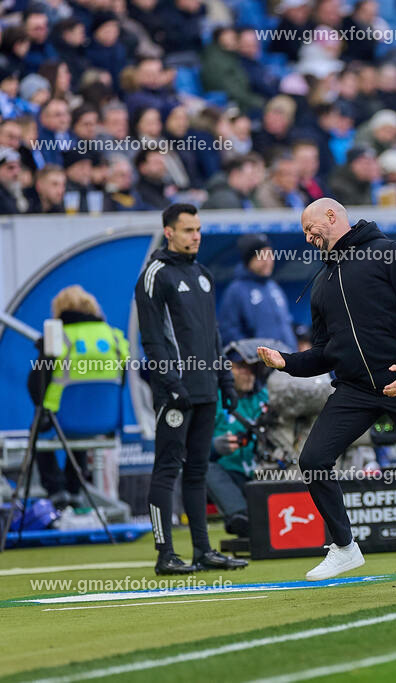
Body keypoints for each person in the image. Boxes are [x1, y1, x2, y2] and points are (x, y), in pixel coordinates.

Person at [256, 198, 396, 589]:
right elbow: (325, 353)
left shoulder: (390, 253)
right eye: (304, 234)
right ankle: (344, 547)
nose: (309, 239)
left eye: (312, 229)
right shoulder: (322, 283)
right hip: (356, 390)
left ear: (333, 216)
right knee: (312, 460)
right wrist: (286, 362)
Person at [134, 203, 248, 575]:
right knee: (167, 468)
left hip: (206, 389)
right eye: (188, 230)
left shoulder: (203, 274)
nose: (195, 236)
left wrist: (225, 379)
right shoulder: (155, 274)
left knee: (198, 470)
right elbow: (152, 341)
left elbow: (213, 334)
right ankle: (164, 553)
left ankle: (203, 550)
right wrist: (170, 383)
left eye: (198, 229)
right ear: (169, 232)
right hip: (175, 392)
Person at [27, 285, 129, 508]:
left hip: (62, 420)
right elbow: (122, 381)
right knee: (81, 426)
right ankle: (74, 487)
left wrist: (43, 351)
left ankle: (55, 489)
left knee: (40, 427)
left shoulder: (59, 338)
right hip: (105, 422)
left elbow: (35, 384)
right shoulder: (114, 337)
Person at [207, 341, 271, 537]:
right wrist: (215, 447)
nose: (248, 373)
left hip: (264, 473)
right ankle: (240, 515)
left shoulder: (265, 396)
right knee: (202, 465)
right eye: (241, 367)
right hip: (231, 476)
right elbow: (192, 448)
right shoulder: (212, 399)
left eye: (253, 368)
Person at [219, 233, 297, 350]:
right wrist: (249, 358)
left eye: (270, 255)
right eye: (261, 256)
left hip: (288, 360)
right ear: (248, 260)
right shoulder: (235, 290)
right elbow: (229, 332)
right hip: (262, 364)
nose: (268, 261)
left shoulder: (273, 286)